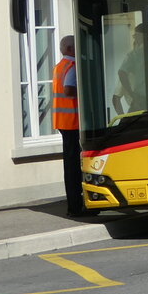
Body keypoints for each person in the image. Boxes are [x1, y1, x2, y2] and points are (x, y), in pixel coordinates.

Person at [52, 34, 87, 217]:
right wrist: (86, 89)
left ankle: (74, 204)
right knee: (74, 167)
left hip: (63, 122)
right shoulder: (73, 65)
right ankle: (76, 206)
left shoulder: (59, 66)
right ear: (69, 49)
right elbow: (68, 90)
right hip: (72, 122)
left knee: (70, 166)